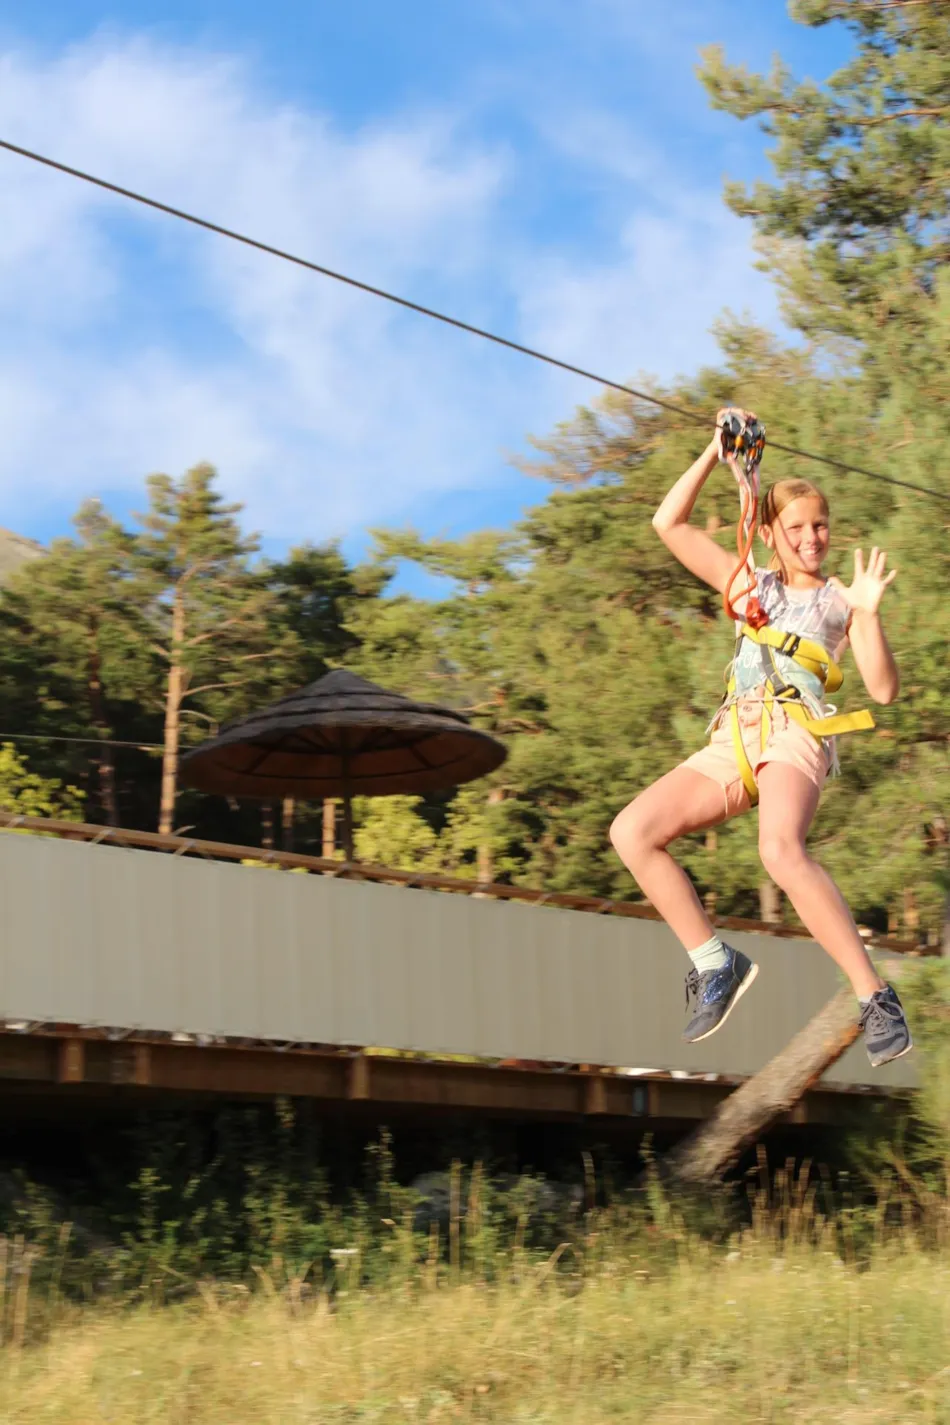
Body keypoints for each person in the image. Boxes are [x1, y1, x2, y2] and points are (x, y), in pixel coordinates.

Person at [608, 407, 912, 1067]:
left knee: (779, 848)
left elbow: (883, 689)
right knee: (631, 831)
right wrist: (713, 456)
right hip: (734, 735)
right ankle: (715, 962)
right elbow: (669, 524)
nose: (812, 538)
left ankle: (874, 996)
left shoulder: (840, 600)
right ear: (771, 533)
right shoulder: (748, 583)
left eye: (821, 525)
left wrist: (868, 614)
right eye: (797, 527)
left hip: (795, 730)